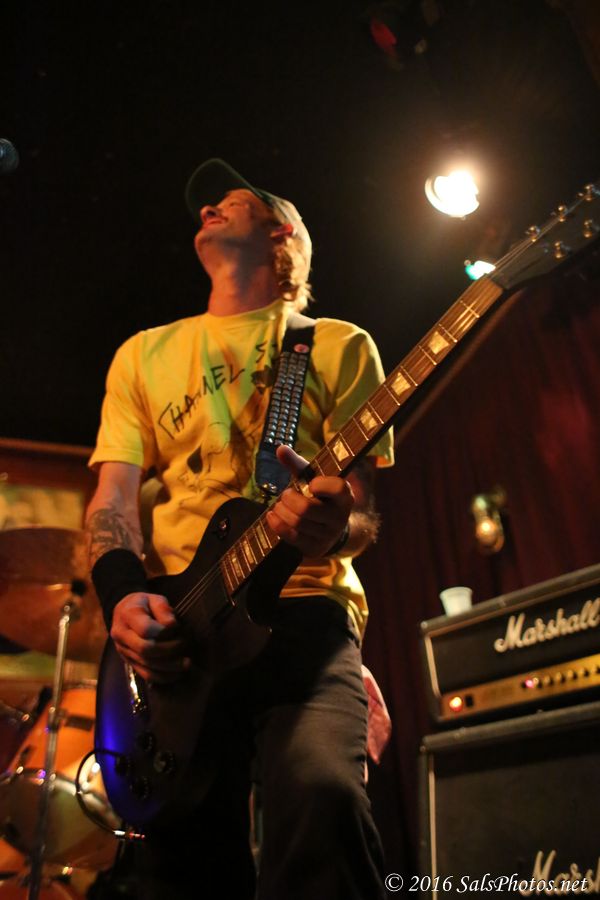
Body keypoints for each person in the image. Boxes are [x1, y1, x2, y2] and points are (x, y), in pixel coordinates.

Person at [85, 158, 394, 900]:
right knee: (178, 867)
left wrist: (328, 526)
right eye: (205, 204)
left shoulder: (337, 345)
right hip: (185, 634)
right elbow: (112, 500)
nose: (207, 208)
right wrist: (122, 597)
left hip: (306, 608)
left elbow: (359, 512)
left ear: (282, 232)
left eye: (231, 199)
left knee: (323, 800)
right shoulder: (142, 354)